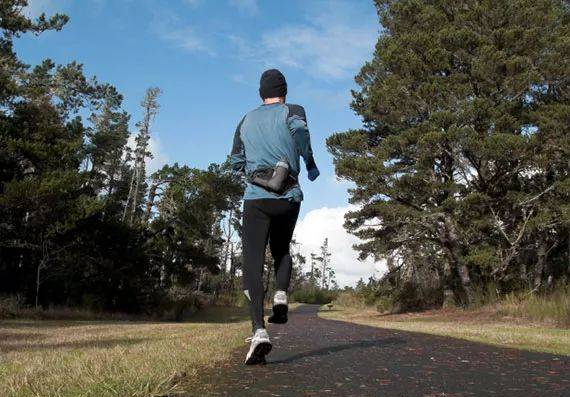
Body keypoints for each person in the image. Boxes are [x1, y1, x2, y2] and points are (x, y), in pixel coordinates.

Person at [230, 69, 320, 365]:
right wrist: (309, 164)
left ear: (261, 92)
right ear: (284, 91)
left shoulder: (245, 119)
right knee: (281, 248)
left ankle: (258, 330)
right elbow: (302, 136)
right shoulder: (293, 110)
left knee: (252, 263)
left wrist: (252, 175)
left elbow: (235, 162)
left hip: (256, 199)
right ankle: (281, 295)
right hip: (288, 196)